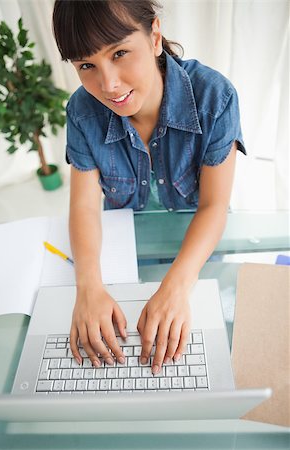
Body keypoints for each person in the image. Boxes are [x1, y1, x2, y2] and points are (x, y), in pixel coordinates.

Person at [52, 0, 246, 375]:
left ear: (154, 36)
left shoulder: (214, 97)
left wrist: (176, 287)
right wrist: (88, 285)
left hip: (200, 247)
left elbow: (214, 206)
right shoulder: (81, 111)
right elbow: (84, 207)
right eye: (86, 66)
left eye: (120, 53)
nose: (108, 84)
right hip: (128, 250)